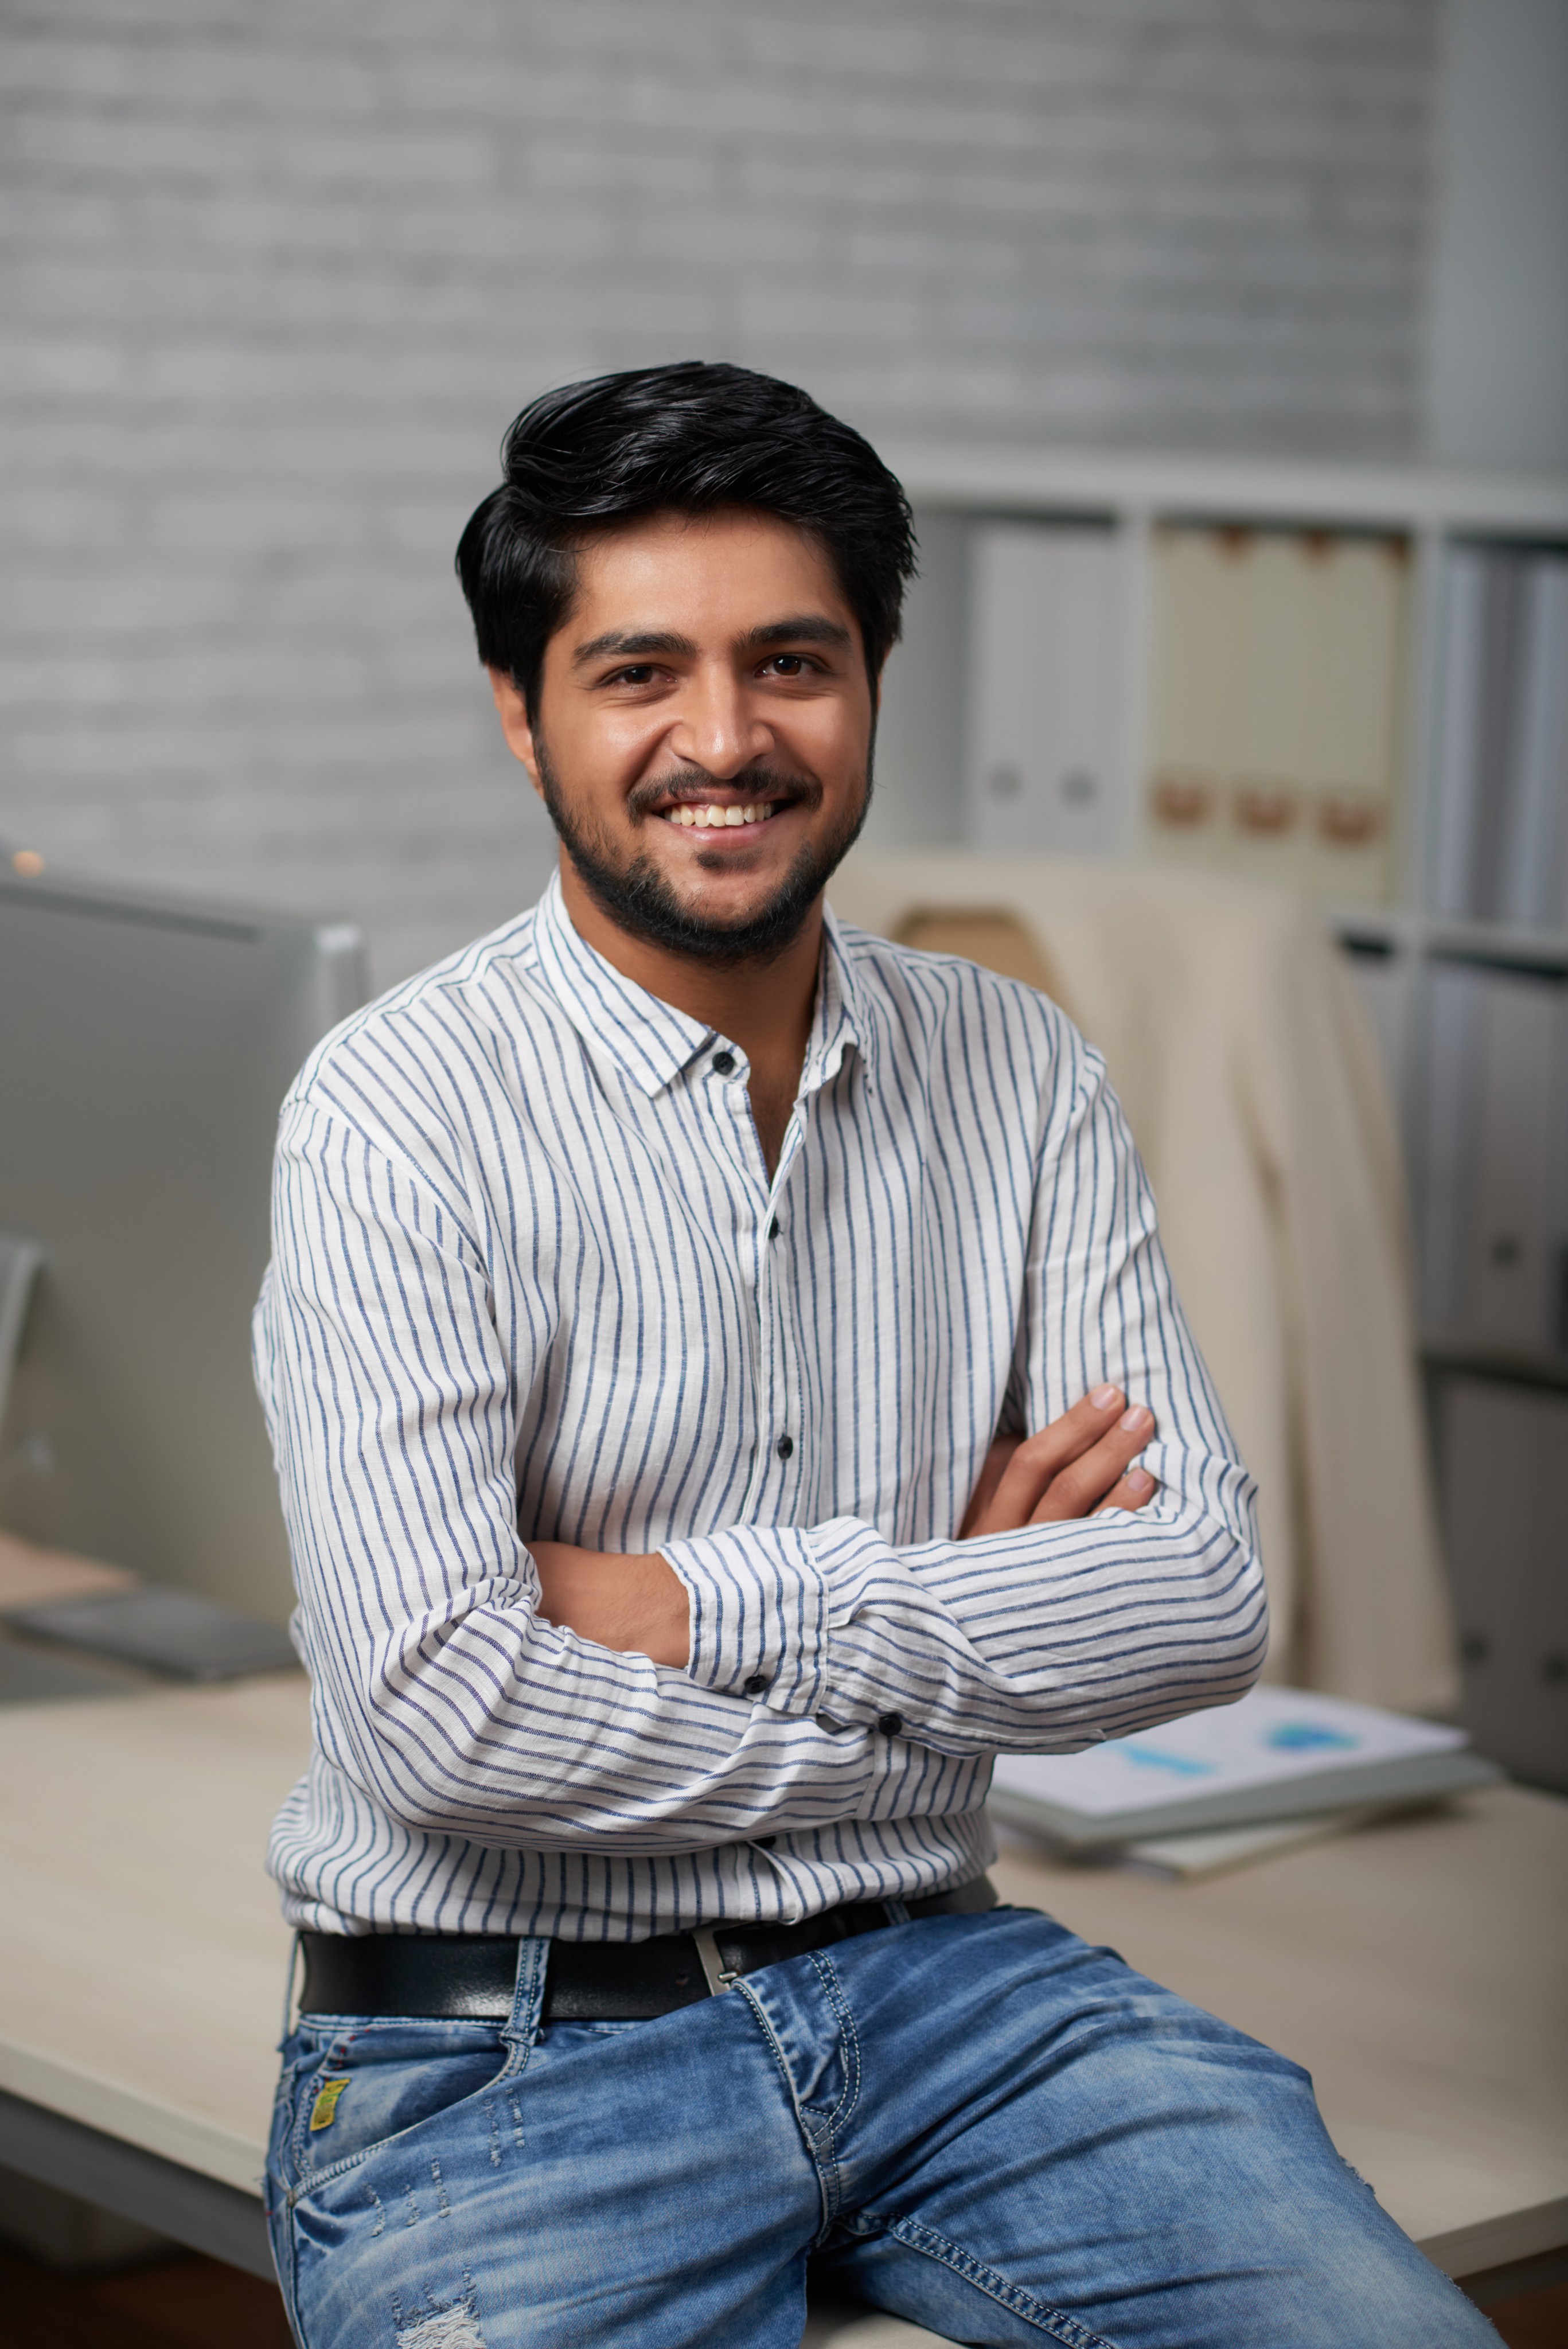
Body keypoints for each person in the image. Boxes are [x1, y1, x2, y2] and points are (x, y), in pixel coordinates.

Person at [255, 363, 1495, 2348]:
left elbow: (1202, 1601)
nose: (725, 740)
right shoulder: (396, 1112)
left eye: (794, 663)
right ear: (525, 710)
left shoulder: (1020, 1066)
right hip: (508, 2054)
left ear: (878, 677)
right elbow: (442, 1721)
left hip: (950, 1989)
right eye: (640, 670)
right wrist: (954, 1667)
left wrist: (685, 1603)